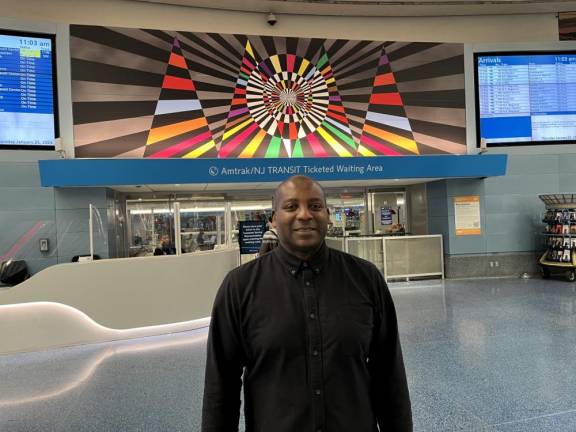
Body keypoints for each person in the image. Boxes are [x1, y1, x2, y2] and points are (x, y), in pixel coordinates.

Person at [202, 175, 412, 432]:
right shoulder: (240, 287)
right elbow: (220, 388)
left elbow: (389, 378)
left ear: (327, 213)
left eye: (314, 206)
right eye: (291, 207)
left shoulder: (366, 279)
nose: (304, 215)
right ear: (274, 218)